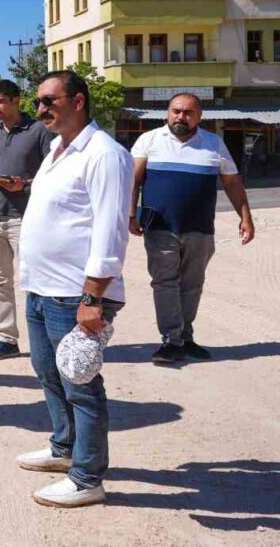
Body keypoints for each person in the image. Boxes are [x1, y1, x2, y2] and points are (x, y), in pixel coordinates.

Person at [18, 71, 133, 508]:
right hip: (42, 288)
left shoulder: (104, 154)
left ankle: (87, 478)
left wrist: (92, 297)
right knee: (49, 375)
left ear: (79, 101)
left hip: (75, 293)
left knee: (81, 385)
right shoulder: (54, 150)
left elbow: (110, 230)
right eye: (38, 102)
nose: (40, 109)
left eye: (49, 100)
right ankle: (64, 450)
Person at [129, 93, 255, 363]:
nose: (180, 117)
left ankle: (185, 337)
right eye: (176, 111)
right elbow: (133, 181)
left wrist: (245, 216)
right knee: (165, 283)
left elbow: (232, 183)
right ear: (168, 112)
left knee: (192, 285)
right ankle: (171, 340)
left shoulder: (214, 144)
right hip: (160, 227)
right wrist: (130, 215)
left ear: (199, 116)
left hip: (200, 228)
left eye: (188, 113)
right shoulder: (149, 140)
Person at [0, 79, 53, 359]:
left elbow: (54, 172)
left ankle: (47, 340)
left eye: (1, 101)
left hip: (26, 218)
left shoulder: (39, 130)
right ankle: (7, 338)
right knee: (0, 281)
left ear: (17, 101)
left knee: (34, 281)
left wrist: (24, 185)